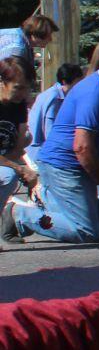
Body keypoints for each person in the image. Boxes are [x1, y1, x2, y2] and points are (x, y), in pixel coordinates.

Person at [19, 39, 99, 243]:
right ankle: (20, 214)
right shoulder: (94, 91)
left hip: (89, 160)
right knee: (84, 232)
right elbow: (81, 148)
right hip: (65, 166)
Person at [0, 58, 35, 237]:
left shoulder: (19, 105)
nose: (23, 94)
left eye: (27, 88)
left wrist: (29, 173)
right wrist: (20, 169)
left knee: (9, 174)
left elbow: (19, 146)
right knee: (9, 174)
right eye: (18, 88)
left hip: (4, 160)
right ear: (2, 82)